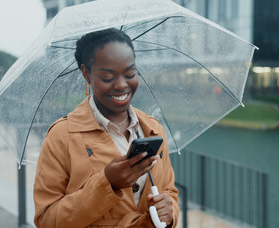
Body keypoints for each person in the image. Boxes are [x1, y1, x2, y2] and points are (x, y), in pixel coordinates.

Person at [33, 28, 179, 228]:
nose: (121, 85)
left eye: (130, 73)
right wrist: (108, 183)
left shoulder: (153, 129)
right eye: (108, 77)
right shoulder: (62, 136)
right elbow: (46, 220)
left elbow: (170, 192)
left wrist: (169, 210)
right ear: (86, 74)